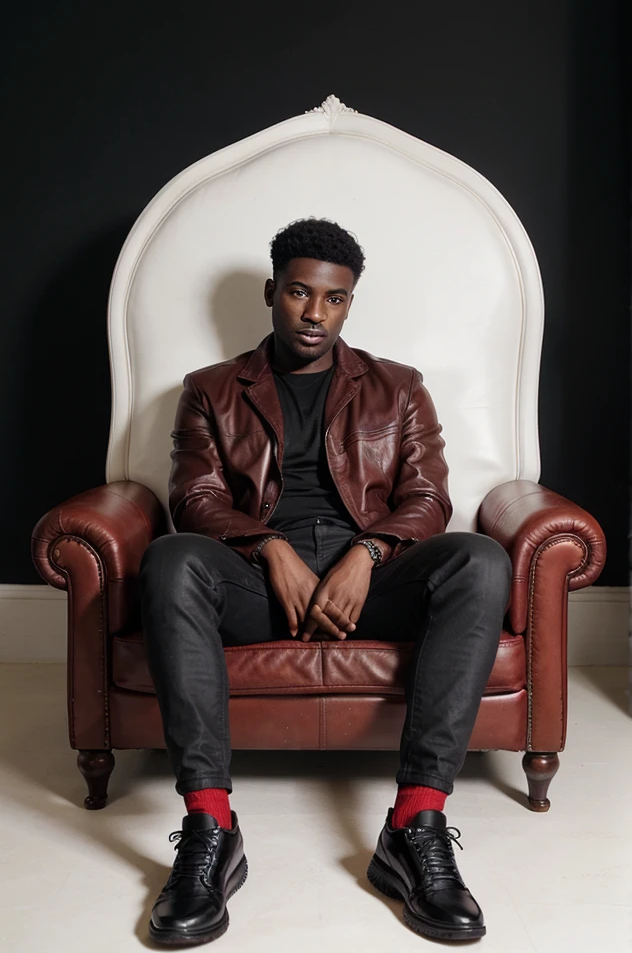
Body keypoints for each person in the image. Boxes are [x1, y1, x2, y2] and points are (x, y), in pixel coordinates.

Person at [139, 217, 512, 946]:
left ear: (350, 304)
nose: (316, 314)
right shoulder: (210, 391)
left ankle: (415, 823)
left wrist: (366, 555)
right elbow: (195, 500)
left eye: (335, 300)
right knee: (169, 558)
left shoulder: (399, 388)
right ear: (272, 292)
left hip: (369, 580)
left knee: (481, 560)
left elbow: (428, 499)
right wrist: (270, 549)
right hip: (255, 583)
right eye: (301, 294)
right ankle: (210, 828)